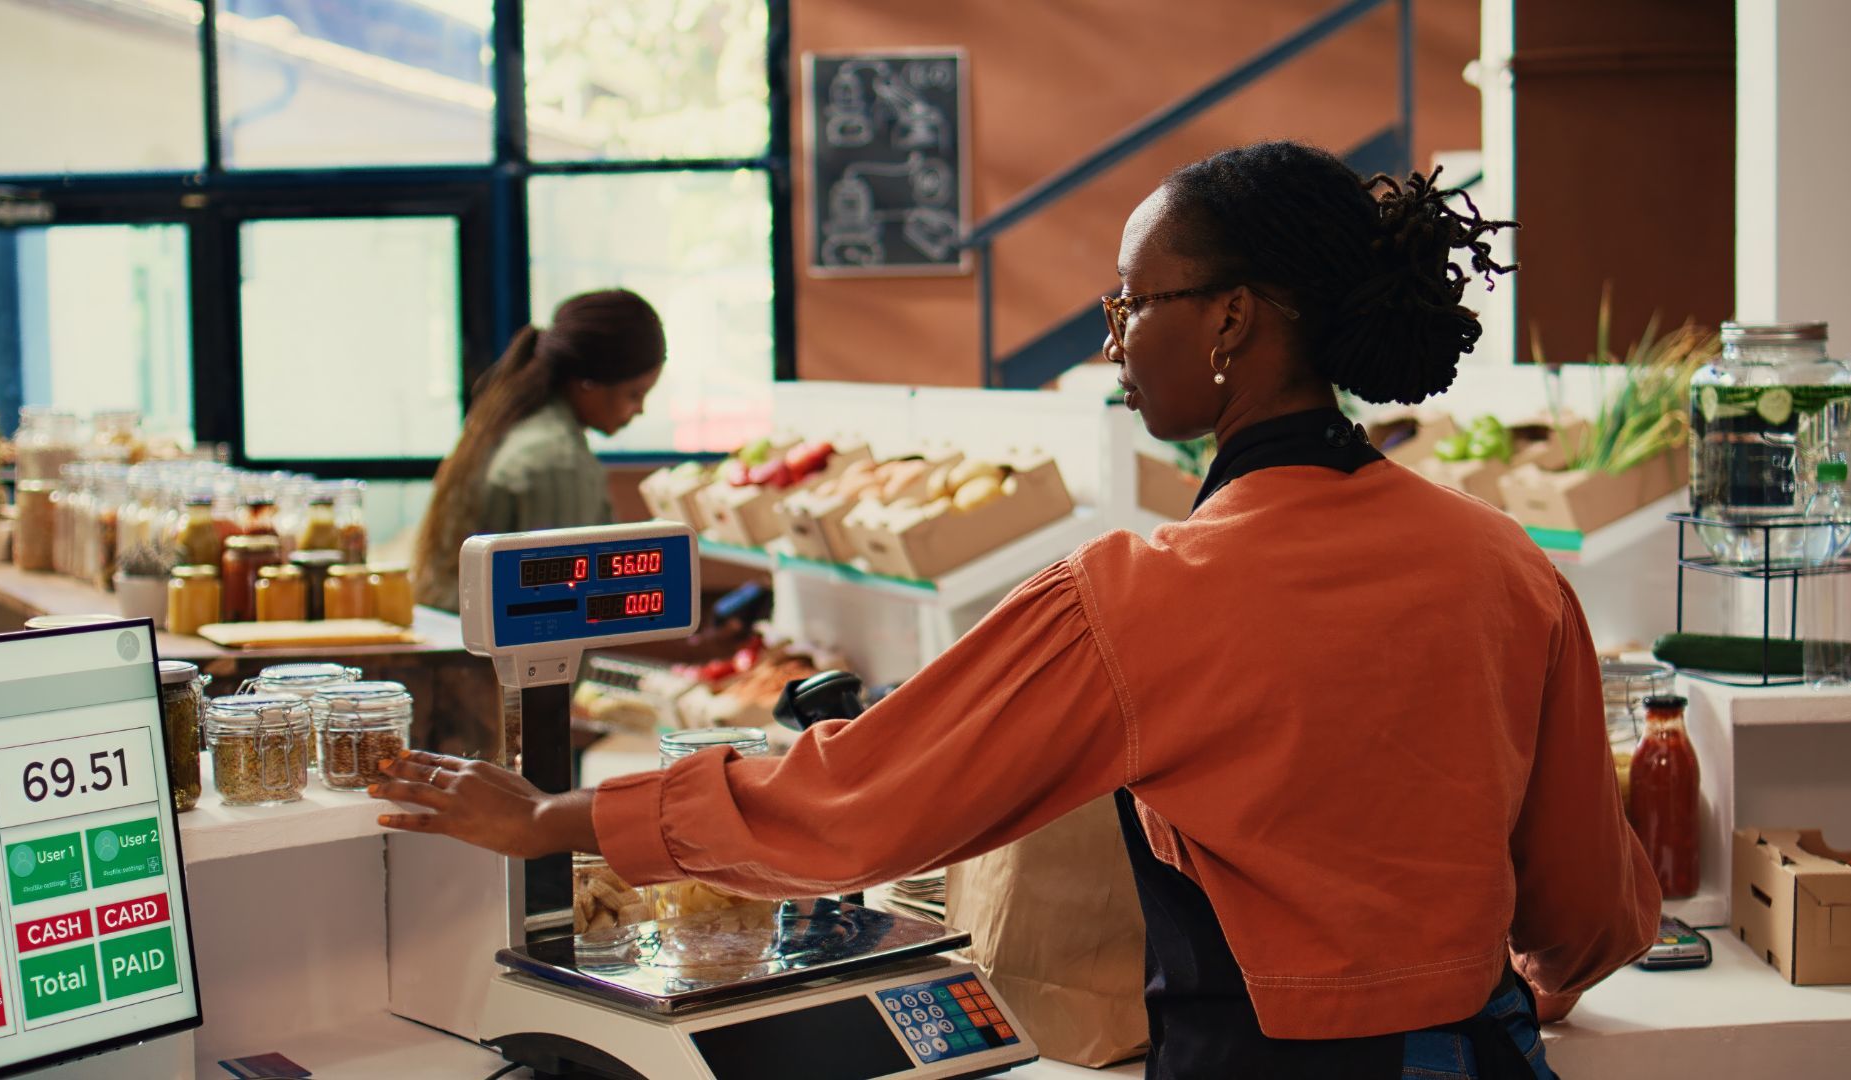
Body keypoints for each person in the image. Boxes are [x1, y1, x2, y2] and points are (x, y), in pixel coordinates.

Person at [371, 141, 1659, 1079]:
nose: (1114, 341)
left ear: (1231, 323)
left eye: (1132, 302)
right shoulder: (1505, 566)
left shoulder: (1144, 597)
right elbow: (1587, 913)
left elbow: (856, 804)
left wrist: (552, 817)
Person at [412, 289, 665, 612]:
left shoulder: (517, 425)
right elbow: (561, 612)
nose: (640, 409)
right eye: (635, 394)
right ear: (588, 382)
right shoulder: (557, 463)